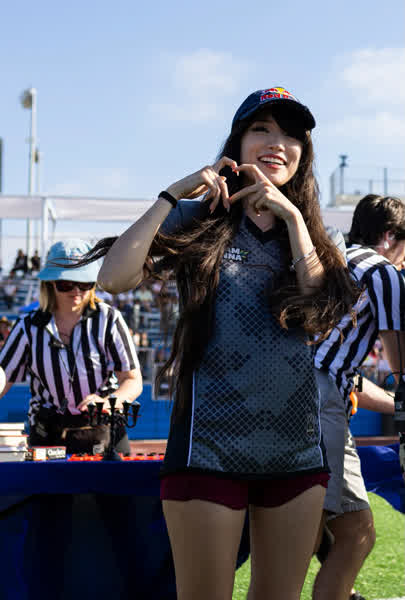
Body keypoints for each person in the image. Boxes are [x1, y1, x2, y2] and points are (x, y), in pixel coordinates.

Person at [72, 86, 360, 599]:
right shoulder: (199, 217)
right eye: (261, 129)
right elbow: (113, 278)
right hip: (207, 451)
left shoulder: (319, 236)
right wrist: (170, 196)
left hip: (296, 454)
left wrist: (294, 220)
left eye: (291, 135)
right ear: (238, 142)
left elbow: (319, 316)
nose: (277, 143)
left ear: (304, 152)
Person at [313, 194, 405, 600]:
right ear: (390, 236)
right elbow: (401, 367)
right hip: (319, 404)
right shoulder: (384, 273)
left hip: (304, 390)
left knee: (351, 529)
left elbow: (336, 367)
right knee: (310, 530)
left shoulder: (335, 258)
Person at [0, 239, 142, 455]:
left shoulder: (108, 319)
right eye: (67, 283)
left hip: (104, 429)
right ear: (50, 283)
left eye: (84, 283)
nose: (76, 290)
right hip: (48, 432)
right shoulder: (28, 326)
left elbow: (132, 379)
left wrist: (107, 402)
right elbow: (3, 377)